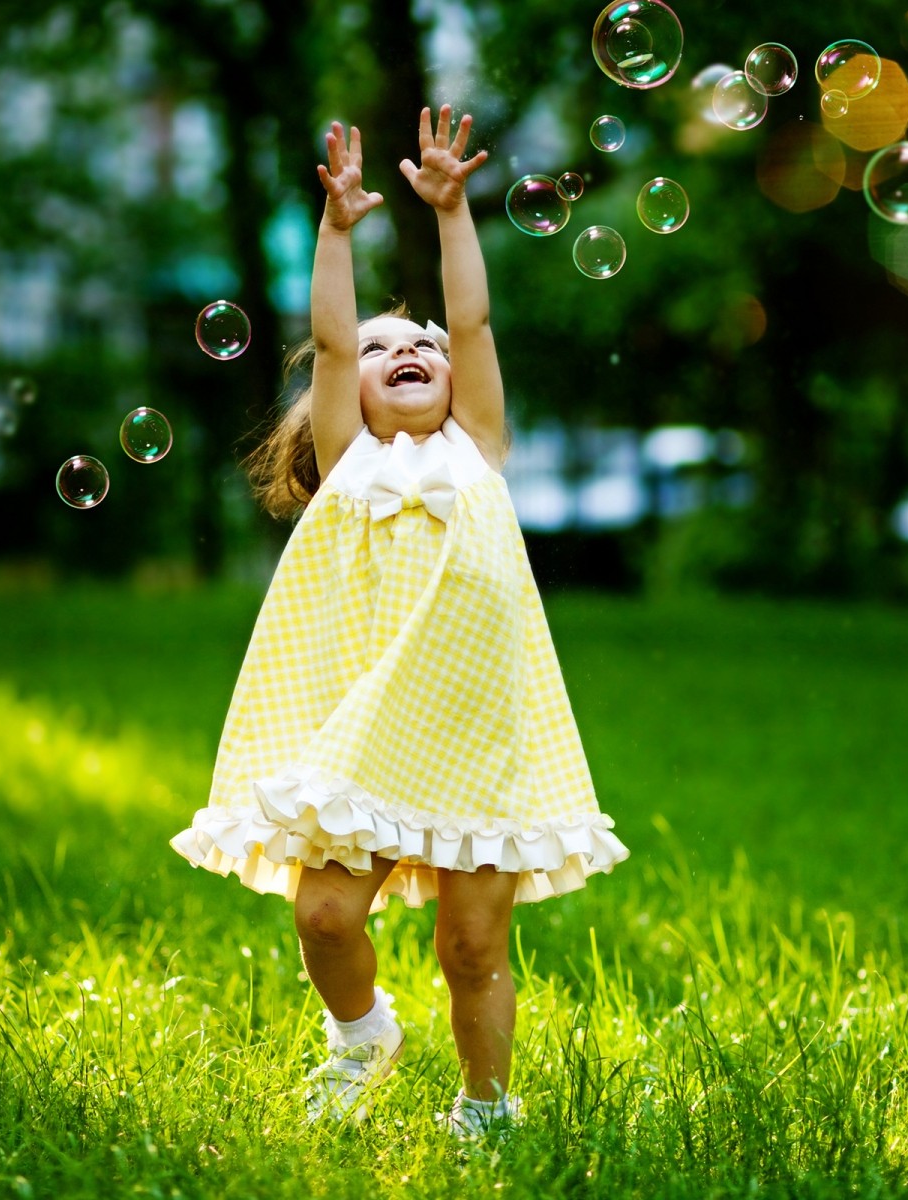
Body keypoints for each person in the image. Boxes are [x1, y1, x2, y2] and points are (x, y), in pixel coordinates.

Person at [170, 106, 629, 1141]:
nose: (412, 349)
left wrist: (453, 211)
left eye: (424, 344)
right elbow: (333, 335)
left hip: (480, 734)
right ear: (349, 394)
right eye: (386, 350)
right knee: (325, 914)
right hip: (365, 732)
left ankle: (486, 1106)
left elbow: (473, 323)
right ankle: (362, 1031)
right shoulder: (353, 462)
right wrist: (337, 229)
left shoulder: (478, 449)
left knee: (473, 948)